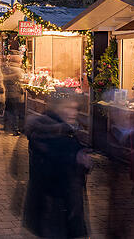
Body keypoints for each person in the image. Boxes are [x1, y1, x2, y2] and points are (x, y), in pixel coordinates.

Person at [23, 93, 91, 238]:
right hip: (52, 204)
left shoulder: (66, 130)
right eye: (68, 108)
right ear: (57, 108)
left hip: (65, 203)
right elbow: (50, 163)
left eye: (75, 109)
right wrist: (75, 157)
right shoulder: (45, 130)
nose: (73, 113)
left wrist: (82, 160)